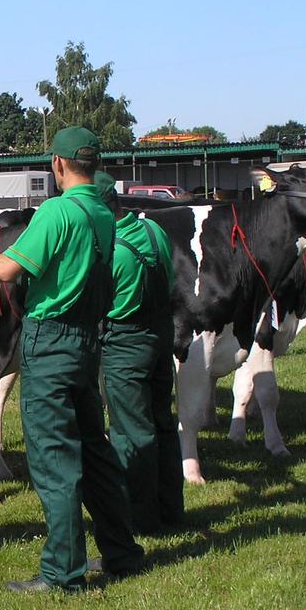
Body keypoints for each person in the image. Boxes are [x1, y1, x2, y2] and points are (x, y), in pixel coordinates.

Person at [0, 126, 144, 593]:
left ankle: (62, 572)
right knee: (94, 452)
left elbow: (9, 268)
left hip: (50, 342)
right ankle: (122, 552)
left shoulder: (57, 211)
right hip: (86, 343)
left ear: (57, 165)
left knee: (55, 459)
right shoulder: (103, 212)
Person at [94, 171, 184, 534]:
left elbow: (102, 304)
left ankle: (140, 519)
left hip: (125, 343)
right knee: (163, 424)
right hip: (161, 335)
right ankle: (171, 510)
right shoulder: (153, 230)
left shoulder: (112, 250)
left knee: (131, 433)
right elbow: (174, 277)